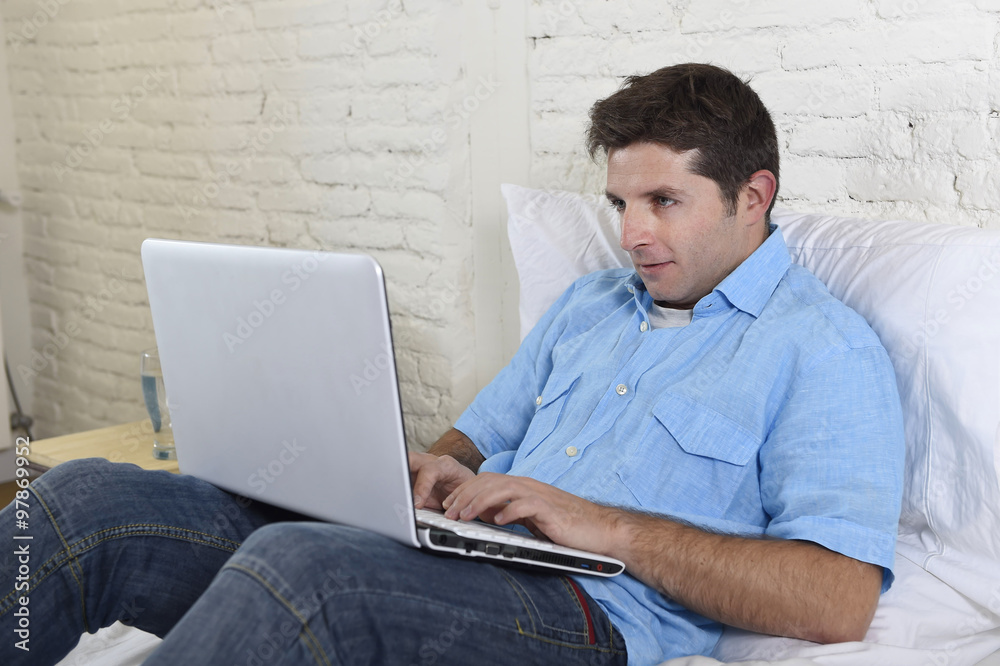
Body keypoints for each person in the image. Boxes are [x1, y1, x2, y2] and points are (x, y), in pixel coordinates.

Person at [0, 63, 904, 665]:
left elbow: (837, 598)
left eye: (665, 201)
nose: (632, 233)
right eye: (620, 201)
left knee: (305, 570)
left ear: (754, 197)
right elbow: (473, 440)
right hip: (452, 563)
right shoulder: (593, 306)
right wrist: (429, 477)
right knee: (85, 502)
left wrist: (608, 527)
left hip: (581, 619)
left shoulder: (822, 349)